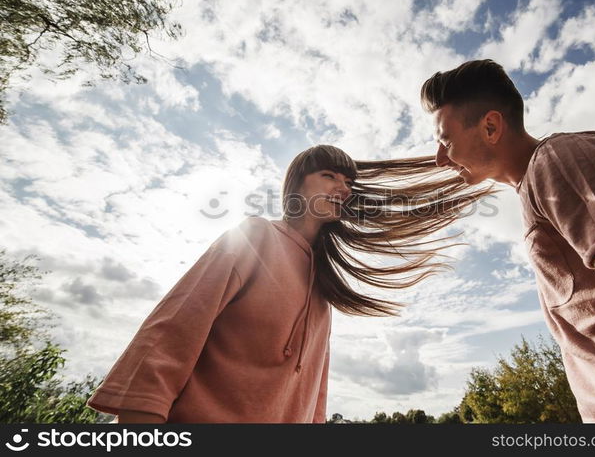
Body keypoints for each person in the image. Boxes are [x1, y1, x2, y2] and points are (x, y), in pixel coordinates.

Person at [86, 144, 490, 423]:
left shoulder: (326, 287)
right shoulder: (254, 237)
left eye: (347, 182)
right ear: (296, 185)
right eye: (329, 175)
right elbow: (172, 332)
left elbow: (314, 392)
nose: (343, 187)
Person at [420, 59, 595, 423]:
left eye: (445, 141)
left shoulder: (562, 161)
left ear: (490, 127)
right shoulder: (538, 188)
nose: (440, 158)